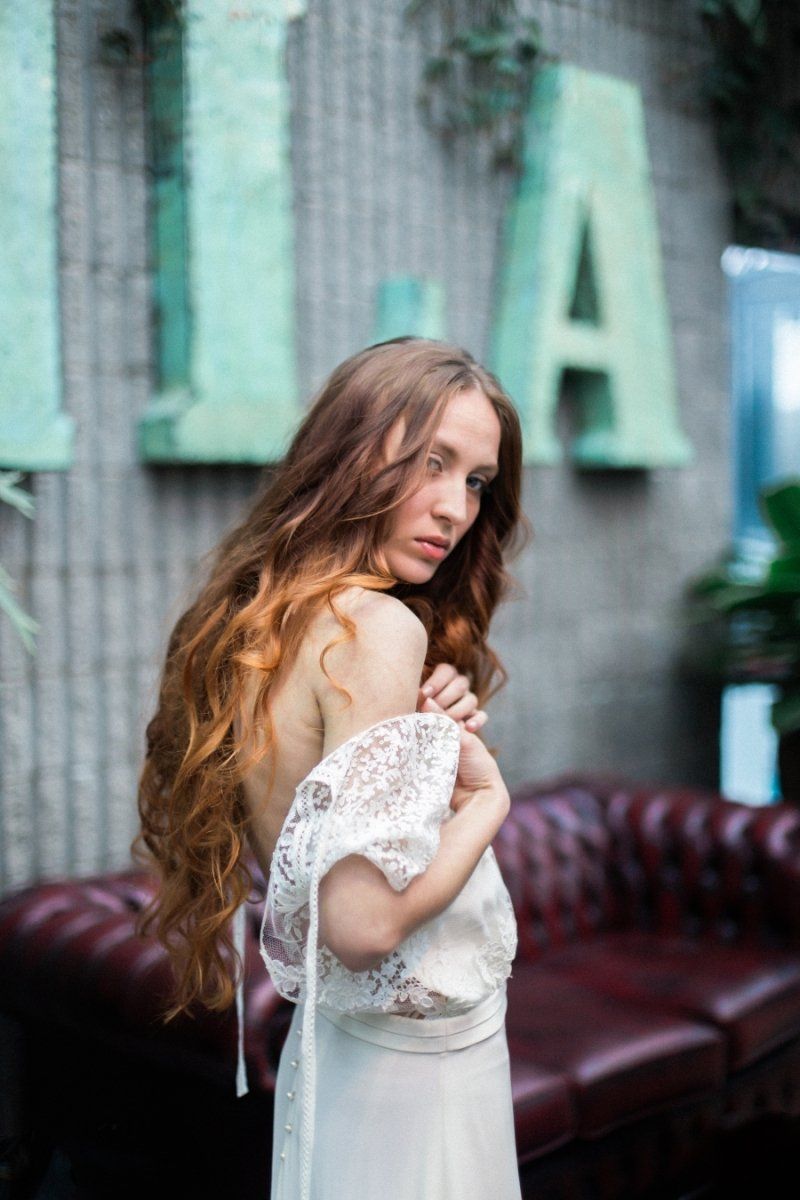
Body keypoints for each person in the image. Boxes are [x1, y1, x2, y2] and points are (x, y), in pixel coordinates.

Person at [136, 336, 528, 1200]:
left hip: (351, 1060)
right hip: (420, 1082)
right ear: (355, 454)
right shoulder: (377, 630)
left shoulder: (267, 623)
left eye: (476, 481)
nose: (457, 509)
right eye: (432, 462)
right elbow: (360, 925)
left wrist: (429, 720)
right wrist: (485, 804)